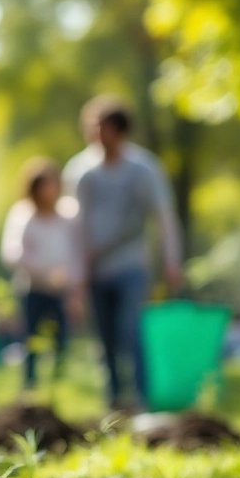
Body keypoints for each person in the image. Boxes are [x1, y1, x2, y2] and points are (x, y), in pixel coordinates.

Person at [62, 95, 183, 409]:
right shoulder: (80, 172)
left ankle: (143, 399)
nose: (95, 134)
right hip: (95, 269)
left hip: (131, 265)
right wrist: (76, 274)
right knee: (105, 338)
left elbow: (164, 217)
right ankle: (114, 400)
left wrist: (172, 260)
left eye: (101, 128)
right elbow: (74, 226)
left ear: (118, 131)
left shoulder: (143, 170)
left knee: (131, 330)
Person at [0, 157, 83, 389]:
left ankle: (60, 383)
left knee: (62, 339)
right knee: (31, 339)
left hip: (63, 290)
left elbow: (77, 253)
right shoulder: (23, 215)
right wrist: (44, 273)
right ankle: (30, 385)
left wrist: (75, 286)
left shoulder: (69, 215)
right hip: (32, 288)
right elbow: (12, 253)